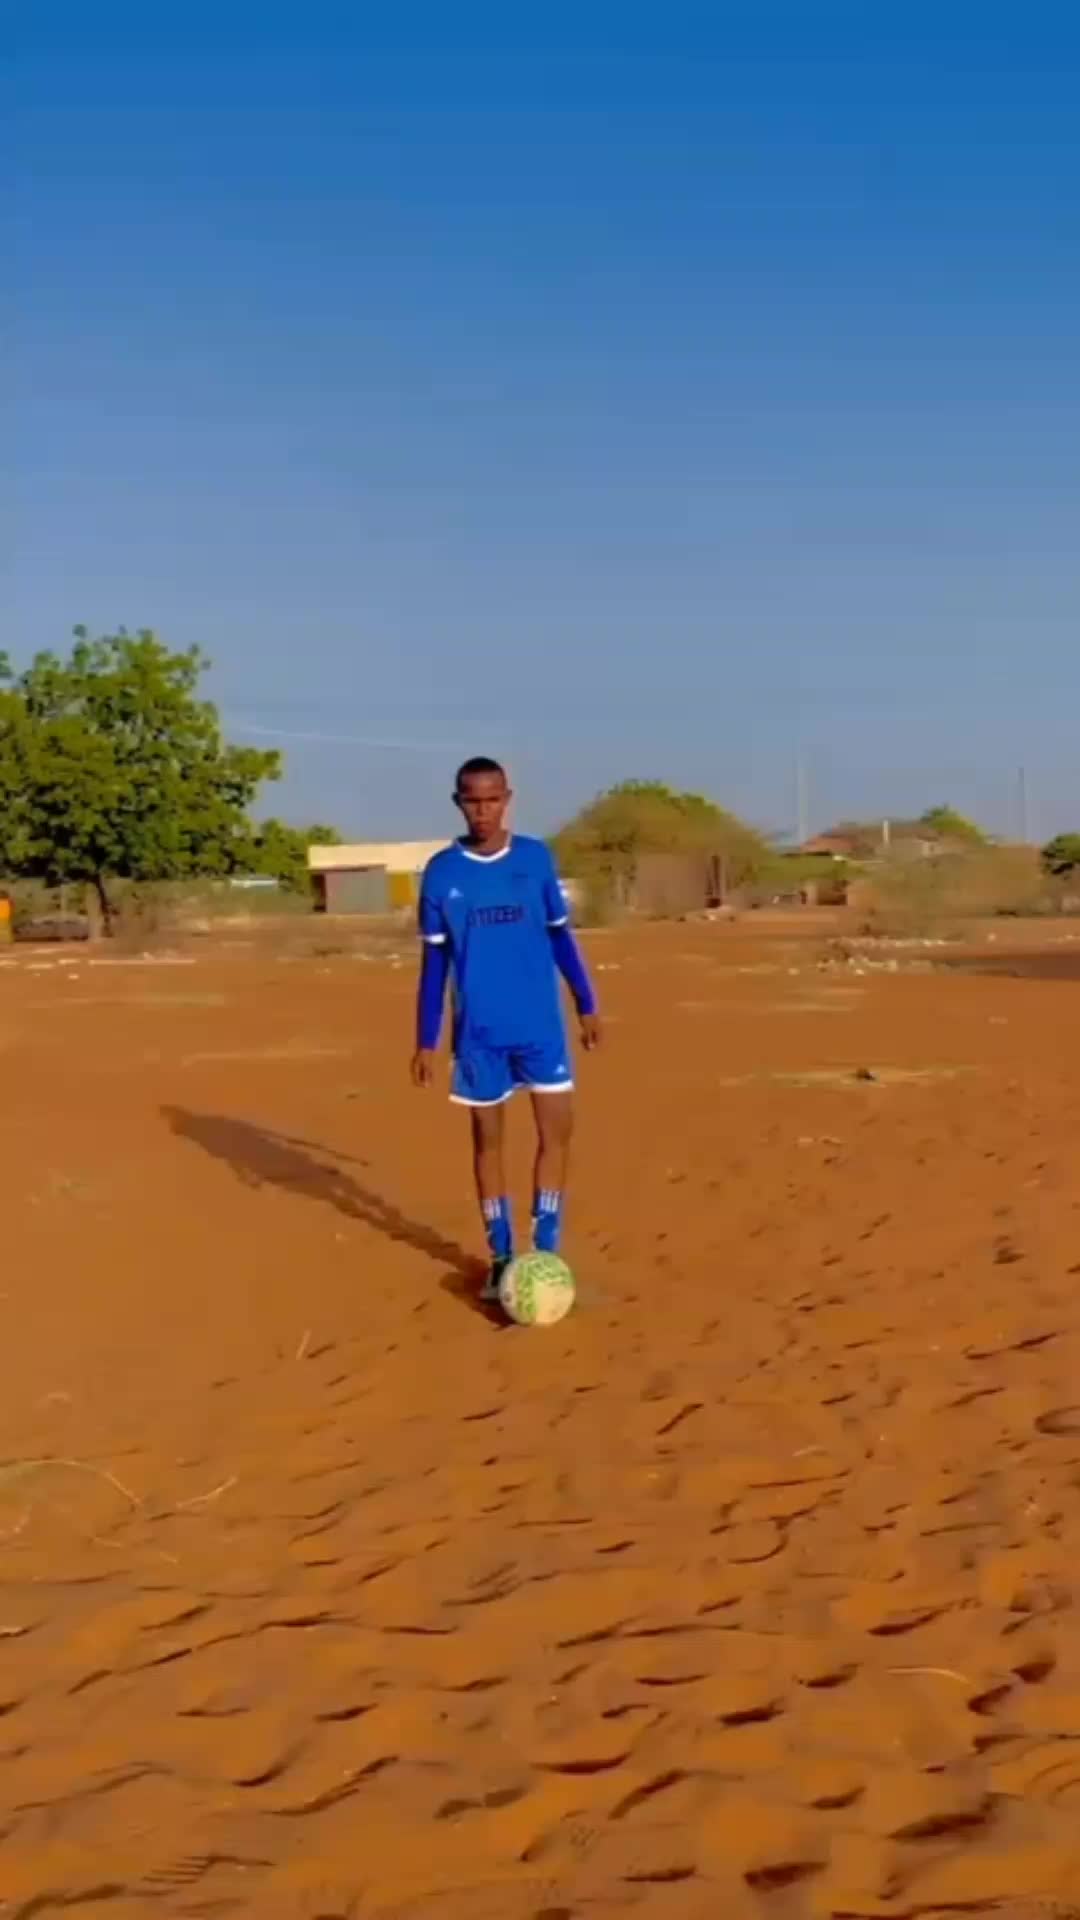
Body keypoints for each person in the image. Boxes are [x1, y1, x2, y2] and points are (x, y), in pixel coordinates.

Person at [411, 757, 600, 1300]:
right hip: (479, 1035)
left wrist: (586, 1002)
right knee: (488, 1143)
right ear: (458, 803)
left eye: (492, 799)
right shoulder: (442, 873)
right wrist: (425, 1039)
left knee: (557, 1133)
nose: (483, 810)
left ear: (507, 799)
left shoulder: (535, 859)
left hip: (540, 1026)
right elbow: (434, 965)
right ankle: (500, 1257)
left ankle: (545, 1250)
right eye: (472, 800)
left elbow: (561, 937)